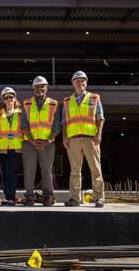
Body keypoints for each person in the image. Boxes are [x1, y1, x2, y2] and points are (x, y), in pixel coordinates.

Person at [62, 71, 105, 208]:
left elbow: (100, 118)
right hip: (73, 139)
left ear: (86, 83)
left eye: (82, 81)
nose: (80, 83)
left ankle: (99, 198)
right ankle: (74, 199)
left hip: (90, 139)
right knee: (75, 171)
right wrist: (64, 137)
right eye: (77, 81)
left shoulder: (94, 98)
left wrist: (99, 134)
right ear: (73, 83)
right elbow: (64, 122)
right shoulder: (67, 101)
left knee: (95, 169)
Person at [21, 76, 60, 206]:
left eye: (42, 86)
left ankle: (48, 197)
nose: (40, 89)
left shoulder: (54, 104)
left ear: (46, 88)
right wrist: (32, 140)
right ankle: (30, 197)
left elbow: (56, 126)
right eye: (37, 86)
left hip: (47, 143)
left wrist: (48, 140)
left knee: (47, 170)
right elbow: (24, 125)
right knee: (29, 170)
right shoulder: (26, 103)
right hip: (29, 143)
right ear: (33, 89)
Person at [0, 87, 23, 206]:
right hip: (2, 148)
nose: (9, 99)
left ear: (14, 98)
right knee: (3, 173)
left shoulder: (21, 114)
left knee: (10, 173)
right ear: (3, 99)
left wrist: (8, 134)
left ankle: (11, 197)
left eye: (11, 97)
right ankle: (7, 197)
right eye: (6, 97)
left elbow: (24, 130)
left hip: (16, 147)